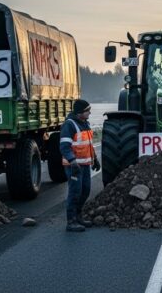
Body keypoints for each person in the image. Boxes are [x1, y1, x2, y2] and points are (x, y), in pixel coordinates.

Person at [59, 99, 100, 232]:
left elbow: (88, 144)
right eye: (87, 110)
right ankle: (71, 221)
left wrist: (95, 159)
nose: (89, 112)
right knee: (75, 192)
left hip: (85, 165)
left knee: (85, 190)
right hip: (74, 166)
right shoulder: (69, 125)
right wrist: (72, 161)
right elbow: (64, 147)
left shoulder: (85, 124)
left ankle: (78, 216)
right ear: (79, 112)